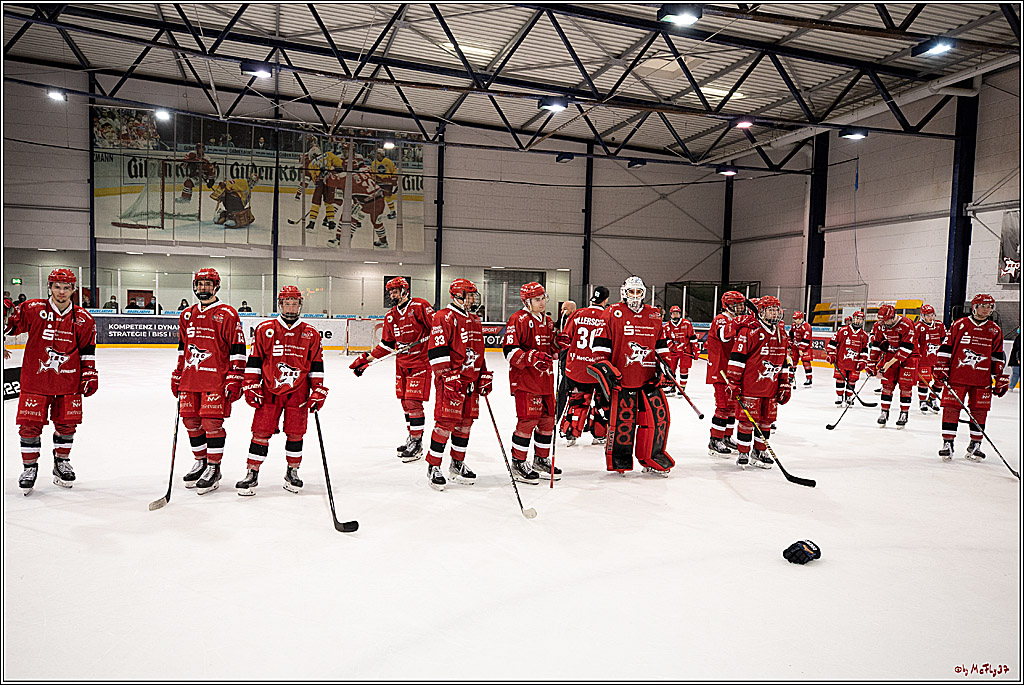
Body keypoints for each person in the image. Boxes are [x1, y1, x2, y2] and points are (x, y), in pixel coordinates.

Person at [5, 268, 98, 493]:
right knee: (29, 425)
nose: (61, 292)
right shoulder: (33, 309)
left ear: (74, 290)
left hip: (68, 383)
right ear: (50, 287)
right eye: (57, 287)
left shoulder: (83, 318)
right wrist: (4, 314)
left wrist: (89, 372)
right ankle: (29, 467)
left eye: (66, 287)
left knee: (67, 425)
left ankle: (61, 463)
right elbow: (10, 328)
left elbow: (87, 350)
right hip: (35, 381)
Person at [237, 286, 327, 496]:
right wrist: (251, 384)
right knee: (261, 431)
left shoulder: (310, 333)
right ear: (280, 304)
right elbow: (255, 360)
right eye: (287, 303)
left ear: (300, 305)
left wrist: (318, 389)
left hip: (299, 390)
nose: (291, 307)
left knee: (296, 432)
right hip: (269, 388)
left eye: (294, 303)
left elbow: (316, 364)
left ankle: (292, 471)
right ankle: (252, 471)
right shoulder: (264, 329)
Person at [172, 267, 247, 495]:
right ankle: (201, 461)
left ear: (216, 286)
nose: (203, 288)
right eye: (200, 284)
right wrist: (177, 373)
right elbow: (183, 347)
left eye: (207, 283)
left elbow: (238, 349)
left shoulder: (228, 313)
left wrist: (236, 377)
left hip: (216, 379)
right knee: (190, 422)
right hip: (191, 378)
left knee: (212, 425)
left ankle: (214, 467)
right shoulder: (187, 314)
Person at [589, 276, 674, 476]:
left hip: (649, 379)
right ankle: (620, 459)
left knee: (658, 420)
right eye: (631, 292)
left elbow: (660, 345)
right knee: (623, 423)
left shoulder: (654, 314)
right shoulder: (612, 312)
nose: (634, 296)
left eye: (638, 292)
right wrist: (606, 371)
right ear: (623, 293)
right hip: (622, 379)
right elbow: (600, 347)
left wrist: (667, 367)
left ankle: (652, 456)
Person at [349, 277, 435, 462]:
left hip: (420, 362)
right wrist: (366, 360)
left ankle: (417, 442)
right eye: (391, 292)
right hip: (402, 364)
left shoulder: (420, 306)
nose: (393, 295)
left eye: (395, 291)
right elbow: (387, 345)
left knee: (413, 402)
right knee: (405, 403)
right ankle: (412, 436)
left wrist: (430, 341)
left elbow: (438, 330)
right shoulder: (390, 315)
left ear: (405, 290)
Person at [423, 278, 489, 491]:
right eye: (468, 294)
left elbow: (479, 351)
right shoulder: (444, 317)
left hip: (470, 381)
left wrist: (484, 373)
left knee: (465, 424)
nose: (472, 298)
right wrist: (447, 376)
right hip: (451, 382)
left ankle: (457, 464)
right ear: (456, 295)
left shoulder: (475, 319)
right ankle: (433, 466)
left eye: (473, 294)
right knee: (445, 424)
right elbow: (436, 351)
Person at [934, 294, 1008, 461]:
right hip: (956, 377)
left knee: (980, 411)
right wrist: (941, 366)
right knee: (951, 409)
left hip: (982, 380)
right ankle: (948, 443)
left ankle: (975, 444)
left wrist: (999, 377)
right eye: (982, 305)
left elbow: (997, 357)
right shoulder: (959, 325)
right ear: (974, 307)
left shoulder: (995, 330)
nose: (986, 308)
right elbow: (946, 348)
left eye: (989, 306)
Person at [503, 282, 560, 483]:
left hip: (545, 381)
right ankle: (518, 463)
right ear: (527, 301)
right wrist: (530, 358)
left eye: (544, 298)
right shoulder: (517, 319)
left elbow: (551, 352)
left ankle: (540, 459)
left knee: (547, 421)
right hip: (525, 381)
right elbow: (509, 352)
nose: (542, 302)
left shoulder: (548, 321)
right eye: (537, 299)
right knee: (528, 421)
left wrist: (558, 345)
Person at [725, 296, 791, 468]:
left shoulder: (781, 333)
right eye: (771, 309)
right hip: (751, 387)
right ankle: (743, 452)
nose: (775, 313)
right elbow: (737, 358)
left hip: (771, 388)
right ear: (761, 312)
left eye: (777, 309)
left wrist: (784, 383)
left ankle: (759, 451)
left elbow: (784, 360)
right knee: (747, 422)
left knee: (766, 421)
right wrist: (733, 381)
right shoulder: (749, 331)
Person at [557, 286, 610, 447]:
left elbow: (565, 340)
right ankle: (599, 435)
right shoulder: (608, 316)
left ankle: (570, 433)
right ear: (606, 300)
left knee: (577, 401)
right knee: (601, 403)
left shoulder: (578, 314)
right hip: (599, 368)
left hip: (577, 367)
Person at [706, 290, 748, 457]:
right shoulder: (720, 319)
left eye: (741, 304)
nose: (740, 308)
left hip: (732, 371)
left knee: (731, 407)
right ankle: (715, 440)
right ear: (727, 305)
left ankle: (727, 437)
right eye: (736, 305)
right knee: (723, 407)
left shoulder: (735, 320)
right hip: (720, 370)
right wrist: (740, 323)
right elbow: (723, 336)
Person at [867, 304, 917, 428]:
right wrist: (871, 363)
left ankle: (904, 413)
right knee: (887, 385)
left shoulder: (906, 324)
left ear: (892, 316)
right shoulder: (880, 325)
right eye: (881, 320)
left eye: (885, 320)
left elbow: (906, 348)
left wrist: (888, 364)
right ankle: (884, 412)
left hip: (909, 357)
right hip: (891, 354)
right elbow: (876, 344)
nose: (882, 323)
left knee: (905, 387)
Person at [335, 155, 387, 248]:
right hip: (380, 199)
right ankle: (383, 241)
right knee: (376, 222)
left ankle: (341, 239)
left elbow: (342, 195)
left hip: (366, 203)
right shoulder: (365, 170)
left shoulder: (345, 178)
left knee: (350, 217)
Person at [300, 139, 344, 236]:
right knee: (329, 202)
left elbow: (315, 178)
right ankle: (331, 222)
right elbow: (339, 165)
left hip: (320, 184)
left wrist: (321, 174)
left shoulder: (311, 164)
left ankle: (312, 223)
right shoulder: (328, 154)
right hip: (330, 182)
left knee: (316, 202)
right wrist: (332, 170)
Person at [826, 310, 868, 406]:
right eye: (857, 318)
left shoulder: (864, 335)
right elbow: (833, 343)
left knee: (852, 380)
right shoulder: (843, 331)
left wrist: (862, 361)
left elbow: (865, 350)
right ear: (853, 319)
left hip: (854, 362)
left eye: (860, 319)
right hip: (841, 360)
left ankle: (849, 396)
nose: (858, 321)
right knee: (840, 378)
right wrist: (831, 354)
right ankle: (839, 396)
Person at [913, 304, 946, 413]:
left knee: (940, 381)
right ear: (922, 316)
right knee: (924, 381)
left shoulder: (940, 325)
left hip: (937, 360)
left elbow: (944, 341)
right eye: (927, 315)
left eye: (932, 315)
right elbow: (914, 342)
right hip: (924, 359)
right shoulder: (918, 326)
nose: (930, 317)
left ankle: (932, 398)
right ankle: (922, 401)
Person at [662, 305, 698, 395]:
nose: (676, 315)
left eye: (677, 313)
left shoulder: (687, 324)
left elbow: (693, 337)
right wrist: (673, 347)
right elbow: (666, 339)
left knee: (684, 369)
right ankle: (671, 386)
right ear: (671, 315)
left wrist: (696, 350)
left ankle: (682, 388)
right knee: (671, 369)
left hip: (686, 351)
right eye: (674, 314)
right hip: (673, 352)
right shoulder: (667, 326)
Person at [554, 299, 578, 422]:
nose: (562, 311)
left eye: (565, 309)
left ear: (572, 310)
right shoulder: (562, 319)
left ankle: (561, 416)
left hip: (572, 359)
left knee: (565, 387)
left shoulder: (575, 321)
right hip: (564, 357)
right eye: (562, 308)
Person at [372, 148, 399, 220]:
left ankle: (393, 211)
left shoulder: (388, 161)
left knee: (387, 197)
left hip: (387, 182)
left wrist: (394, 180)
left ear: (382, 154)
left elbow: (394, 170)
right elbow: (372, 173)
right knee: (377, 198)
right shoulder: (374, 163)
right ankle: (377, 211)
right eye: (376, 153)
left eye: (378, 153)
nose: (376, 155)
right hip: (378, 182)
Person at [789, 310, 813, 387]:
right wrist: (789, 344)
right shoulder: (793, 326)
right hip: (795, 346)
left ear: (801, 319)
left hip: (805, 347)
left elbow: (806, 339)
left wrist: (801, 349)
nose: (796, 321)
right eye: (795, 319)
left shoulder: (807, 326)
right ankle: (791, 377)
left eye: (797, 319)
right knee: (793, 362)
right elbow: (791, 335)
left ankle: (809, 379)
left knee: (806, 362)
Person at [1009, 328, 1021, 392]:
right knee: (1016, 373)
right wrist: (1018, 359)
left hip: (1017, 360)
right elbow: (1017, 350)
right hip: (1016, 360)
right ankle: (1011, 386)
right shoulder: (1019, 338)